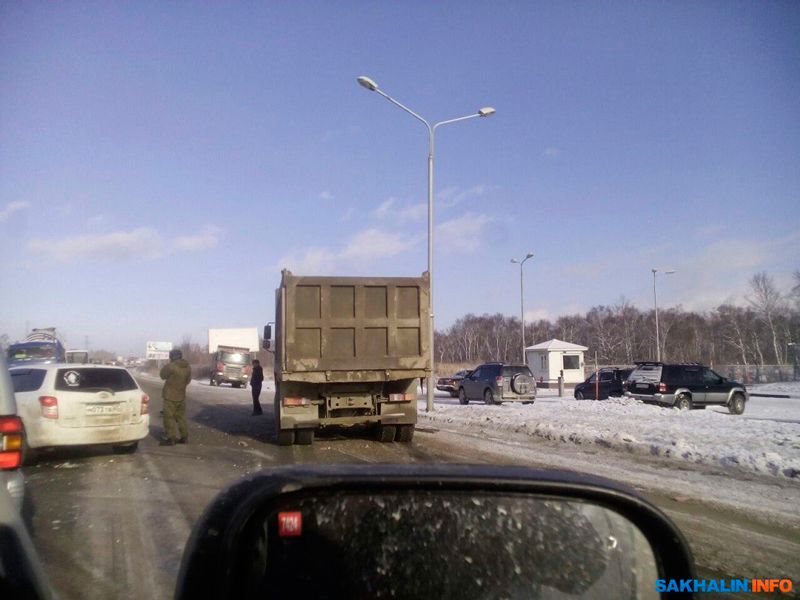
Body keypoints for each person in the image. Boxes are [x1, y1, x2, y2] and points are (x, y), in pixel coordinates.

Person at [160, 348, 192, 446]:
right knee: (181, 417)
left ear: (172, 357)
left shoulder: (171, 366)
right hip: (181, 395)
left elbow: (162, 375)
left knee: (168, 417)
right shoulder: (187, 366)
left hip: (169, 396)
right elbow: (188, 380)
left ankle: (171, 438)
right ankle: (184, 437)